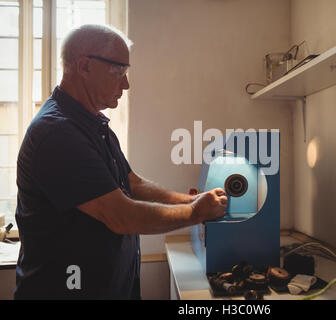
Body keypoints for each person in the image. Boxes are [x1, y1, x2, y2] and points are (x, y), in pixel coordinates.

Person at [14, 24, 228, 299]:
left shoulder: (93, 125)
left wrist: (190, 201)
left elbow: (132, 182)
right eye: (119, 71)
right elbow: (121, 216)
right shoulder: (57, 133)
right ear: (84, 66)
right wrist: (197, 213)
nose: (126, 84)